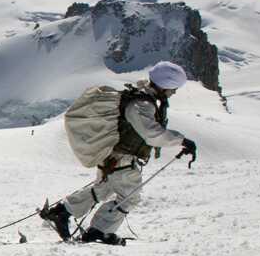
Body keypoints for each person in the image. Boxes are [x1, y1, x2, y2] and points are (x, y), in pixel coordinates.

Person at [41, 61, 197, 245]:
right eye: (173, 88)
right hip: (123, 159)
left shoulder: (139, 99)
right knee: (129, 198)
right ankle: (99, 231)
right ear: (165, 85)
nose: (174, 92)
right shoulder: (143, 104)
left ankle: (62, 212)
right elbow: (151, 133)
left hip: (113, 157)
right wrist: (181, 140)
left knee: (102, 189)